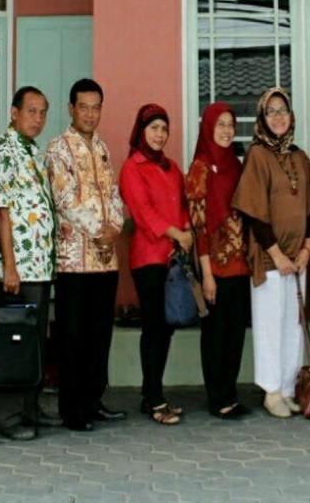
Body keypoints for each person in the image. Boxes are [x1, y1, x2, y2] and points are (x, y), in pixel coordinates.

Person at [232, 87, 310, 418]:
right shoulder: (257, 155)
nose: (278, 117)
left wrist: (307, 247)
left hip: (298, 257)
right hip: (270, 257)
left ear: (291, 115)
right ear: (262, 118)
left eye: (282, 110)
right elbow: (254, 212)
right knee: (270, 323)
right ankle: (271, 392)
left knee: (293, 324)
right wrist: (278, 254)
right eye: (271, 111)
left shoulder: (299, 156)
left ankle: (287, 387)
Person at [44, 78, 127, 430]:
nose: (90, 114)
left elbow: (114, 195)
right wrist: (99, 231)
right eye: (84, 107)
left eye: (96, 108)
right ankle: (73, 409)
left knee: (99, 335)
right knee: (74, 337)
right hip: (74, 262)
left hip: (105, 262)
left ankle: (94, 400)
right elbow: (64, 199)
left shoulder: (103, 148)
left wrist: (116, 228)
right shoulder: (58, 149)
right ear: (71, 109)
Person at [0, 86, 61, 440]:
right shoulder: (3, 152)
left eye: (43, 112)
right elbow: (2, 212)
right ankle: (8, 417)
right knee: (10, 341)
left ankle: (30, 407)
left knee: (32, 341)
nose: (38, 118)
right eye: (31, 111)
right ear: (14, 113)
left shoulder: (33, 152)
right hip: (15, 270)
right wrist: (10, 267)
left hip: (38, 267)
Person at [119, 103, 190, 425]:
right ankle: (154, 398)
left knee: (166, 327)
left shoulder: (171, 167)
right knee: (154, 327)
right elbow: (143, 212)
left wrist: (186, 229)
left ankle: (153, 393)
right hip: (148, 259)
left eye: (164, 129)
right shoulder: (132, 168)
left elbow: (183, 204)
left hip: (173, 257)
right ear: (141, 131)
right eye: (154, 128)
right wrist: (177, 233)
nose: (160, 135)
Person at [185, 101, 251, 419]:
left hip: (240, 265)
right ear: (208, 128)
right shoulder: (199, 168)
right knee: (216, 333)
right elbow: (198, 226)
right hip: (214, 266)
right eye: (220, 124)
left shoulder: (235, 166)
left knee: (235, 332)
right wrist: (207, 274)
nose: (226, 130)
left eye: (230, 125)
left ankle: (230, 393)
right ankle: (217, 398)